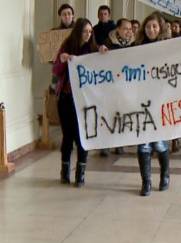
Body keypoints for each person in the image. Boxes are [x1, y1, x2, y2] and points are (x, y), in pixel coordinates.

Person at [52, 18, 100, 187]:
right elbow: (56, 70)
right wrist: (63, 60)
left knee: (82, 137)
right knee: (68, 136)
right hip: (66, 97)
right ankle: (64, 170)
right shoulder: (67, 46)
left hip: (85, 100)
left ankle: (80, 172)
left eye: (90, 31)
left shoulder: (93, 49)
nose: (88, 35)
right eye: (85, 31)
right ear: (78, 32)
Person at [133, 12, 172, 196]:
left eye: (155, 27)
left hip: (161, 101)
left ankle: (165, 174)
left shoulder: (168, 47)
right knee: (143, 144)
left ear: (160, 28)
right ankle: (146, 181)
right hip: (141, 101)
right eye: (148, 27)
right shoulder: (137, 47)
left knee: (159, 143)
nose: (151, 30)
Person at [100, 18, 136, 157]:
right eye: (126, 28)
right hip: (111, 85)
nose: (129, 31)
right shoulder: (108, 43)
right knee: (109, 114)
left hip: (127, 85)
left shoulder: (134, 43)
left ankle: (119, 143)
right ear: (118, 30)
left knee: (122, 114)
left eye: (130, 29)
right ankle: (106, 144)